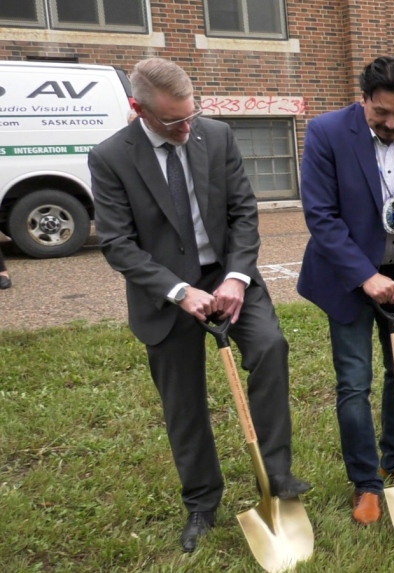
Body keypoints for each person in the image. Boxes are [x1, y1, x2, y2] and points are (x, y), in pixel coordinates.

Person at [88, 58, 308, 553]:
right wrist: (179, 291)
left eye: (192, 112)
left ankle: (276, 476)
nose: (186, 127)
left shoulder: (216, 135)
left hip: (227, 277)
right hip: (166, 292)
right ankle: (202, 503)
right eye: (172, 121)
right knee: (183, 402)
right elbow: (118, 244)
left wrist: (235, 276)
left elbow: (243, 212)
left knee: (270, 348)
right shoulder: (110, 158)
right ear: (137, 108)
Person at [297, 55, 394, 525]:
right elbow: (321, 216)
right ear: (363, 100)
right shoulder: (326, 133)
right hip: (347, 281)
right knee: (354, 381)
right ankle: (366, 483)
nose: (390, 123)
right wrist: (367, 277)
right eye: (380, 112)